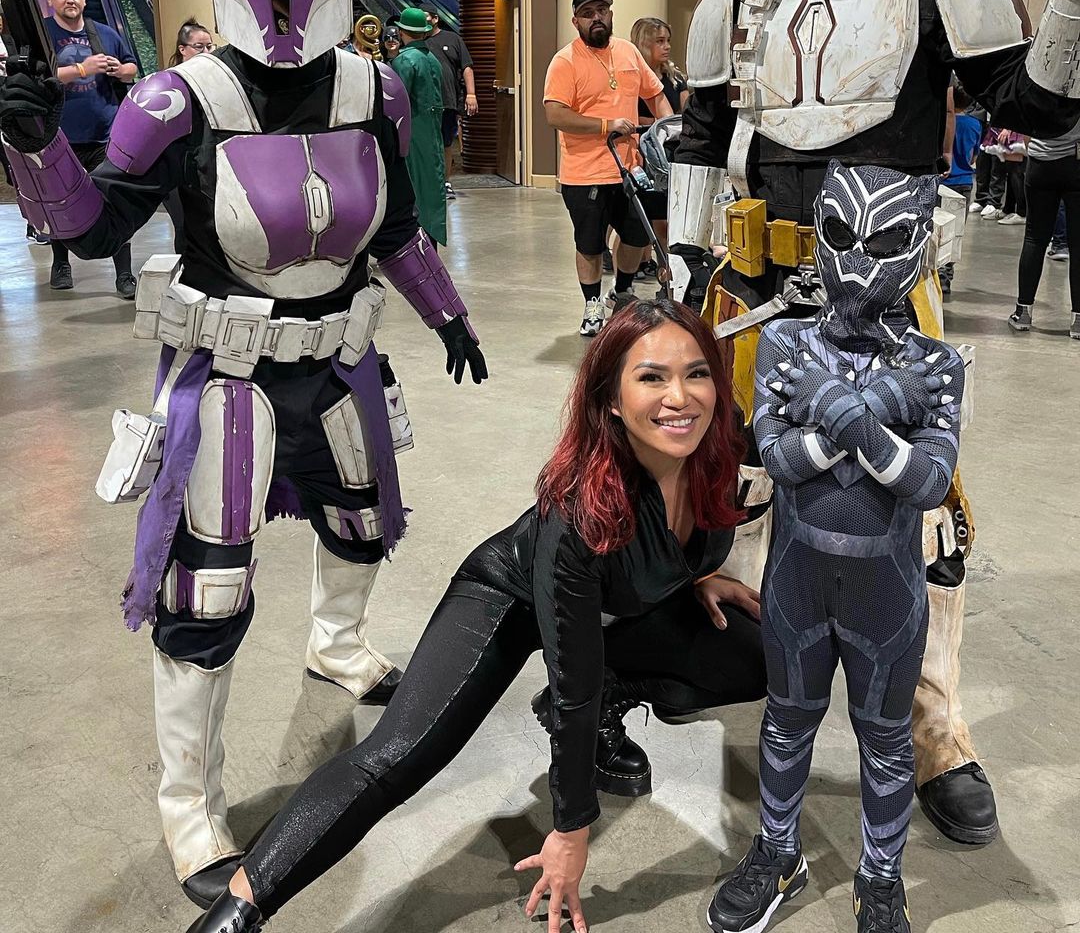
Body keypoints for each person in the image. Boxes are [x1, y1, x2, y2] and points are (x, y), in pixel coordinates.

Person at [0, 0, 487, 910]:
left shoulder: (374, 89)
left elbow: (397, 228)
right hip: (228, 377)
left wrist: (448, 312)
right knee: (204, 595)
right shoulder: (178, 100)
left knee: (363, 525)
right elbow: (92, 228)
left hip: (341, 361)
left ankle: (338, 643)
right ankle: (189, 808)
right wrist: (35, 143)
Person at [668, 0, 1080, 845]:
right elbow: (700, 136)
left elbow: (1037, 110)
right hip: (753, 288)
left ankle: (935, 737)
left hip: (891, 300)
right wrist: (683, 276)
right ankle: (747, 677)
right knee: (738, 492)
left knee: (924, 515)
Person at [184, 297, 767, 933]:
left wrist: (697, 573)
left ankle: (616, 699)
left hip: (608, 608)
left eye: (696, 373)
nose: (680, 397)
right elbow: (572, 687)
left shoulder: (720, 443)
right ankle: (239, 909)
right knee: (397, 756)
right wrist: (571, 830)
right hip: (508, 597)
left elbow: (683, 533)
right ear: (610, 400)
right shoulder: (576, 516)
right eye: (652, 377)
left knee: (757, 655)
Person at [708, 162, 964, 933]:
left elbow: (929, 483)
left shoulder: (935, 363)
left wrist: (829, 407)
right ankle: (778, 851)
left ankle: (880, 875)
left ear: (918, 244)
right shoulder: (786, 339)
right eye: (841, 235)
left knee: (885, 739)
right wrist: (882, 407)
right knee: (787, 720)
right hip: (799, 582)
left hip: (884, 592)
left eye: (882, 241)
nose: (855, 261)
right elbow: (777, 459)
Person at [544, 0, 673, 337]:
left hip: (629, 170)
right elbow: (555, 115)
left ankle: (622, 292)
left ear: (611, 14)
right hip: (584, 173)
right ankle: (591, 304)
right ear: (576, 21)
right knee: (589, 244)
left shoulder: (628, 52)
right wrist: (606, 125)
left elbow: (656, 94)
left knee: (635, 236)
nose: (597, 17)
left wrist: (668, 129)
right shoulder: (565, 61)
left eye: (602, 10)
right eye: (588, 13)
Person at [44, 0, 139, 297]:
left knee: (115, 203)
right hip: (59, 137)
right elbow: (38, 77)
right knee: (59, 203)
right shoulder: (44, 33)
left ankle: (124, 274)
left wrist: (120, 70)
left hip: (106, 135)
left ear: (84, 0)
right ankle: (61, 265)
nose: (69, 0)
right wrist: (83, 69)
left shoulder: (105, 33)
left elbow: (131, 67)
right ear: (50, 0)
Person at [1008, 118, 1080, 338]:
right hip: (1077, 162)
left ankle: (1023, 312)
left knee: (1034, 239)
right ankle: (1078, 320)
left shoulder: (1039, 92)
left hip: (1041, 162)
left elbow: (1025, 125)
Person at [631, 16, 689, 278]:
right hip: (643, 150)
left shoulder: (675, 78)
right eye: (660, 41)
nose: (667, 47)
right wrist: (656, 123)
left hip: (671, 148)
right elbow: (630, 117)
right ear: (645, 44)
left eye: (668, 41)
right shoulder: (634, 77)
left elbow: (684, 114)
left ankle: (667, 266)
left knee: (667, 214)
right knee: (644, 215)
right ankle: (646, 262)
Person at [391, 7, 448, 246]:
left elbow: (397, 101)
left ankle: (414, 245)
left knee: (412, 187)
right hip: (431, 131)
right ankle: (430, 240)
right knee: (431, 186)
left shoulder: (405, 60)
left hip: (411, 132)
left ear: (402, 31)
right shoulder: (432, 59)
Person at [162, 18, 214, 253]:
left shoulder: (216, 79)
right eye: (199, 47)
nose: (206, 52)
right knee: (184, 226)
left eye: (210, 46)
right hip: (176, 167)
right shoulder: (170, 81)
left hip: (208, 163)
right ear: (182, 49)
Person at [424, 6, 478, 199]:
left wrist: (471, 94)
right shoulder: (417, 40)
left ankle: (445, 182)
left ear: (435, 19)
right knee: (426, 144)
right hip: (424, 103)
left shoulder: (453, 39)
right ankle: (427, 183)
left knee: (446, 143)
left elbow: (467, 67)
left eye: (426, 17)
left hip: (448, 100)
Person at [939, 84, 981, 296]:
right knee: (955, 232)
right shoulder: (975, 124)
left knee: (936, 230)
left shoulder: (941, 122)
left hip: (942, 182)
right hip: (963, 182)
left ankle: (935, 274)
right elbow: (973, 157)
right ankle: (946, 276)